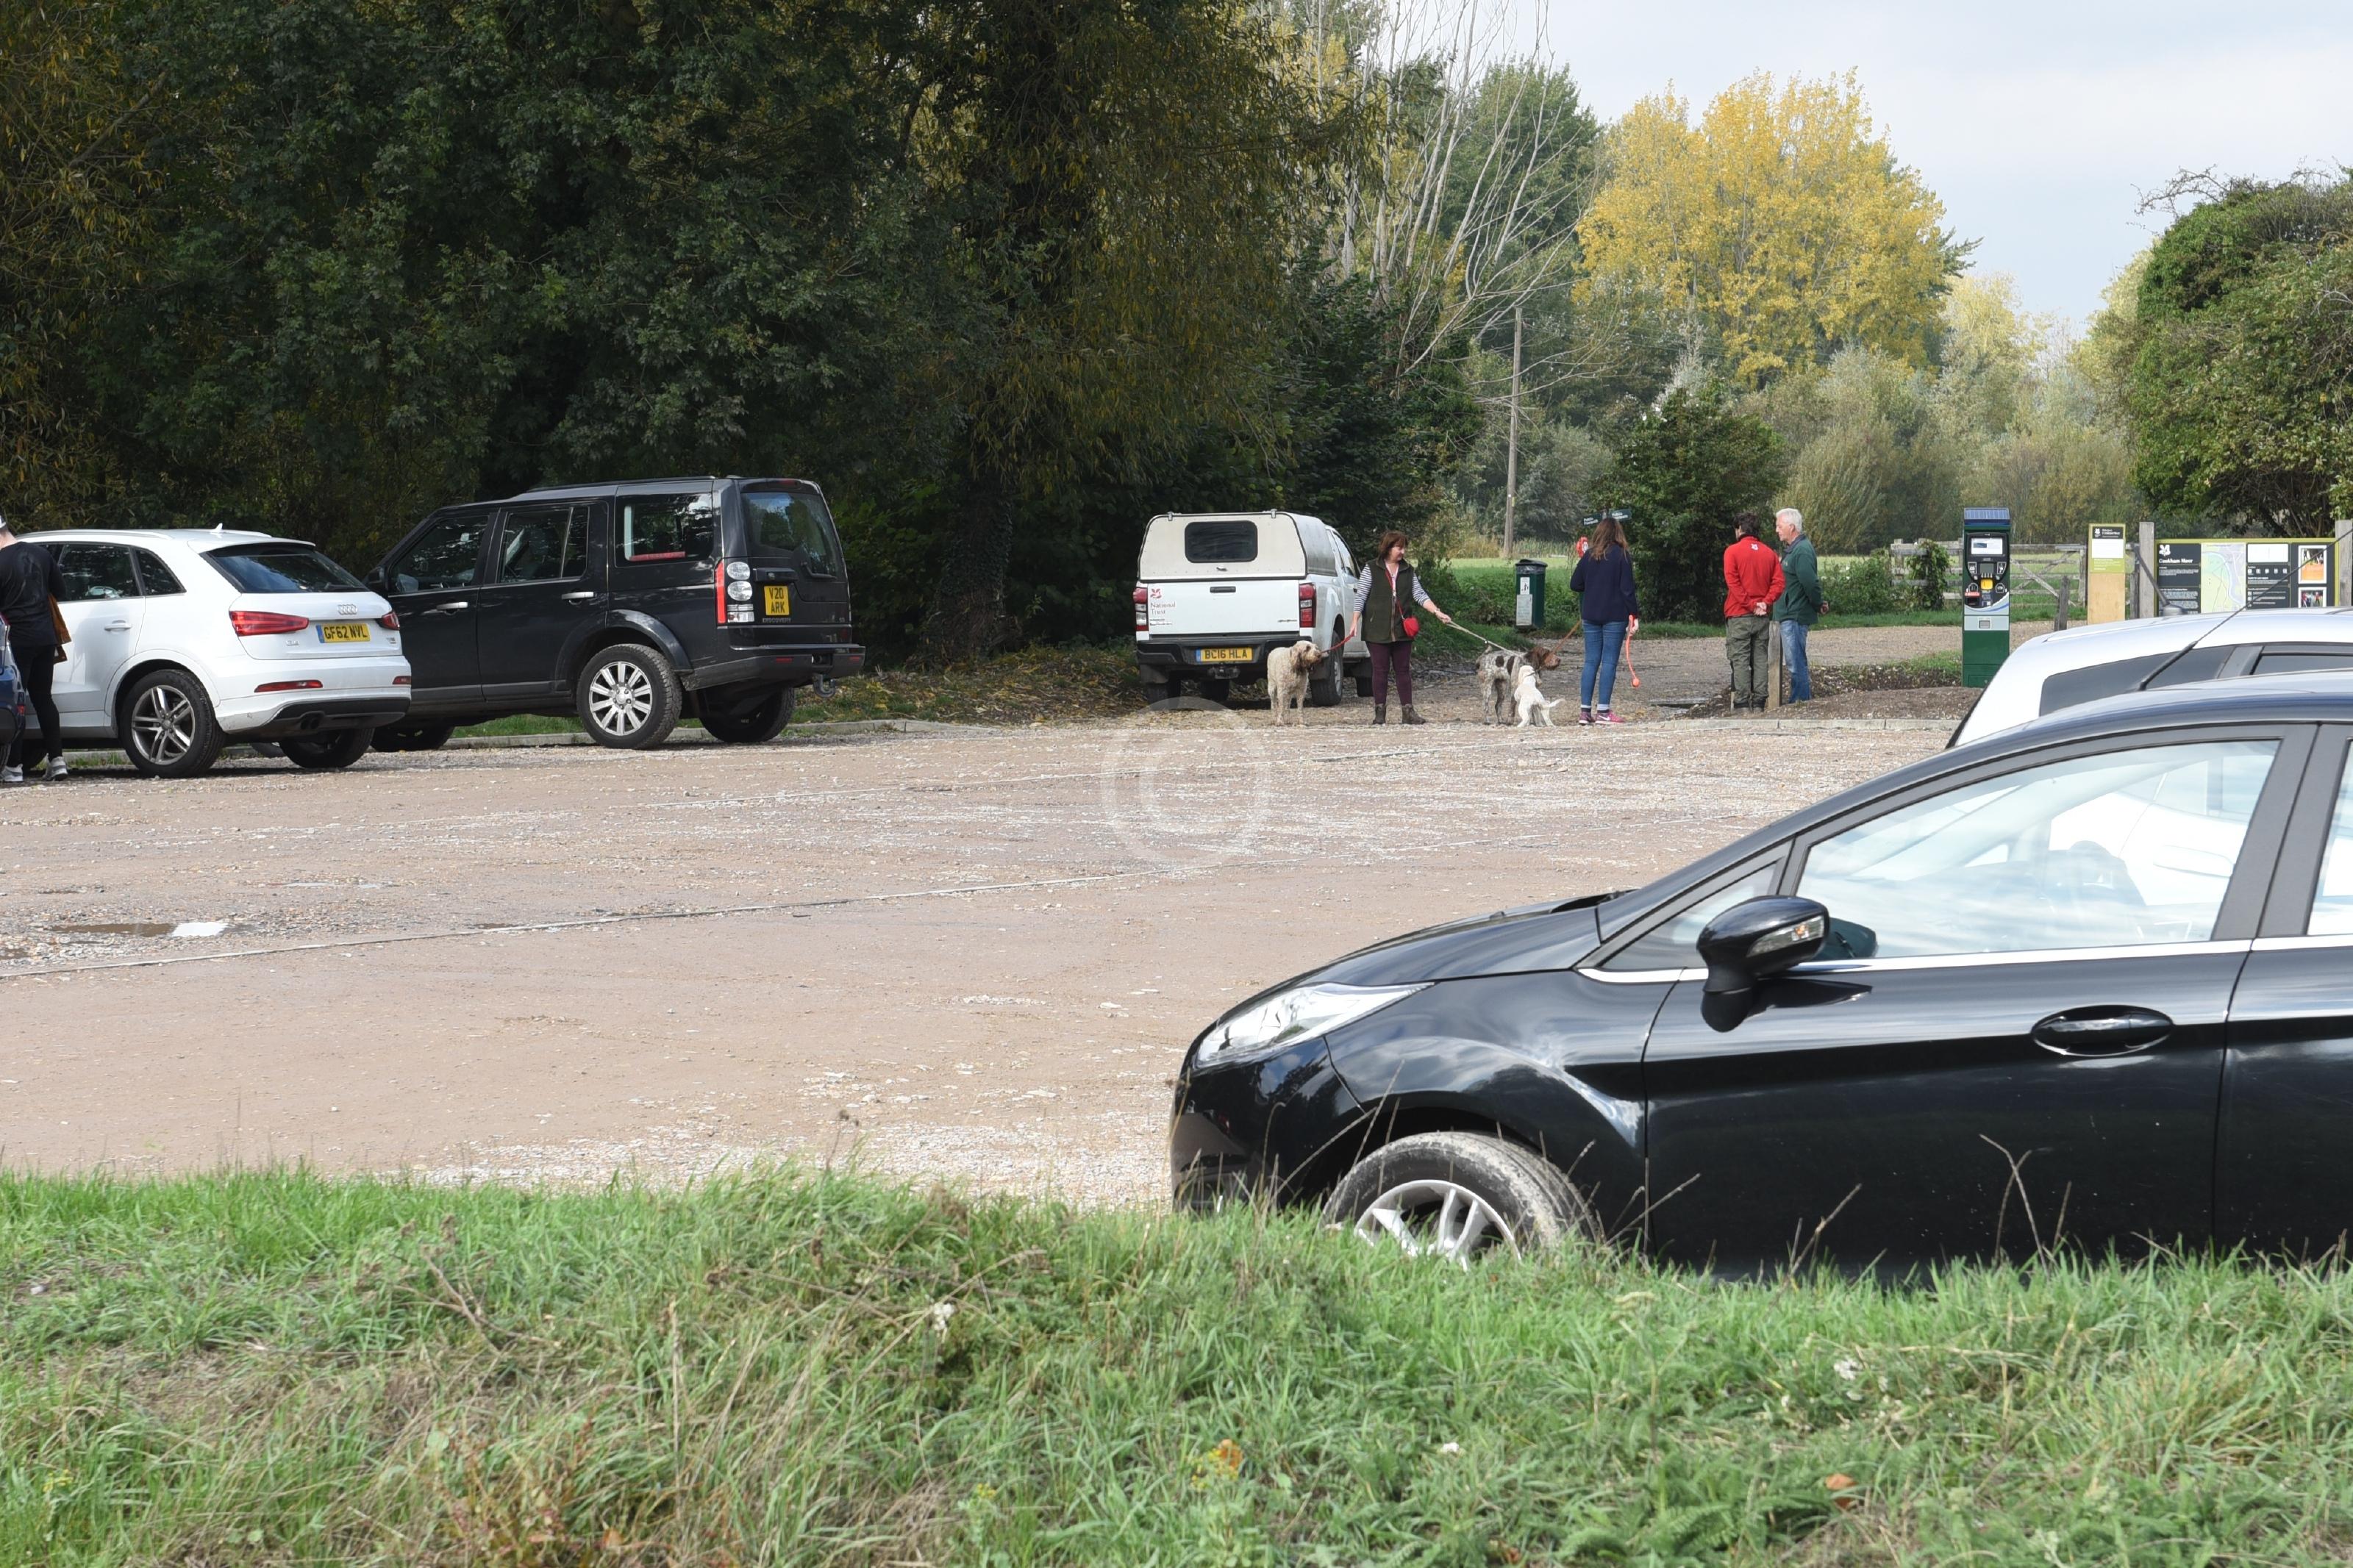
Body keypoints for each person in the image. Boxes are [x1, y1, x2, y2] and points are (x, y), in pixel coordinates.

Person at [1347, 531, 1454, 726]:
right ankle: (1380, 712)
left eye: (1404, 547)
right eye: (1399, 547)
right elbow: (1361, 596)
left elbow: (1420, 595)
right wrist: (1354, 622)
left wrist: (1437, 612)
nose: (1403, 551)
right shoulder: (1371, 568)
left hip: (1403, 629)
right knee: (1379, 671)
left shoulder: (1408, 570)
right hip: (1376, 629)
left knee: (1403, 670)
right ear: (1388, 548)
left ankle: (1408, 711)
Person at [0, 513, 66, 783]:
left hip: (17, 640)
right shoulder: (41, 554)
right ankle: (58, 760)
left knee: (18, 702)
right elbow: (60, 591)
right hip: (46, 636)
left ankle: (14, 767)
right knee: (43, 698)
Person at [1568, 515, 1638, 725]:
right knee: (1608, 662)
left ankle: (1584, 712)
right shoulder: (1623, 556)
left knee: (1591, 661)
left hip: (1590, 615)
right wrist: (1634, 616)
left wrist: (1591, 586)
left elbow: (1575, 584)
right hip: (1614, 616)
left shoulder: (1588, 556)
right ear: (1618, 534)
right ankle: (1604, 712)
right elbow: (1628, 590)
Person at [1721, 512, 1784, 711]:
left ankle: (1741, 705)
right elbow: (1779, 582)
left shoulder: (1732, 552)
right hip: (1762, 616)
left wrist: (1750, 605)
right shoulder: (1770, 554)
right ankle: (1759, 704)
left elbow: (1734, 584)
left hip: (1739, 614)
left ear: (1740, 529)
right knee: (1760, 659)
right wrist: (1765, 603)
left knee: (1740, 660)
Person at [1773, 506, 1821, 704]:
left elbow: (1810, 583)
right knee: (1794, 661)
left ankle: (1800, 701)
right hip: (1789, 613)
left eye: (1779, 525)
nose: (1777, 530)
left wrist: (1818, 604)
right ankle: (1799, 699)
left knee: (1795, 662)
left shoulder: (1801, 551)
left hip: (1795, 615)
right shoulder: (1795, 550)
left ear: (1791, 527)